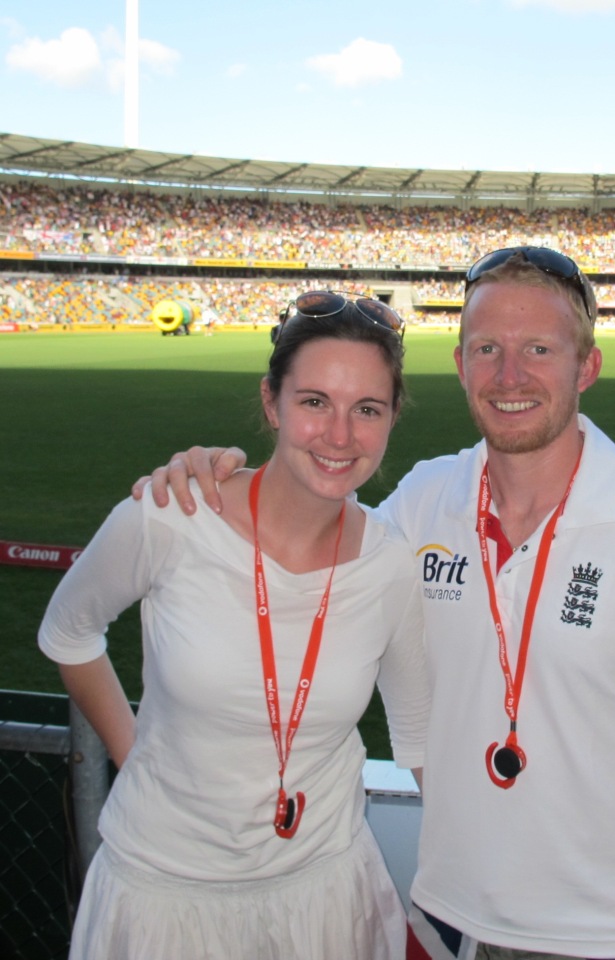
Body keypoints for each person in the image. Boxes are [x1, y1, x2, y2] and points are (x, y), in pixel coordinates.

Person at [135, 248, 615, 960]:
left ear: (586, 366)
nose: (509, 376)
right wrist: (213, 479)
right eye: (487, 349)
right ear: (461, 365)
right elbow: (305, 534)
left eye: (539, 350)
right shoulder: (424, 503)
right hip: (443, 921)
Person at [39, 291, 429, 960]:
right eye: (314, 402)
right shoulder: (169, 515)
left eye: (367, 409)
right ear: (272, 403)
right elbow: (68, 631)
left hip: (324, 896)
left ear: (393, 418)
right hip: (162, 896)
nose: (340, 435)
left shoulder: (391, 565)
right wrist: (132, 752)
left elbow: (421, 734)